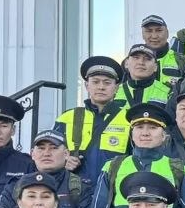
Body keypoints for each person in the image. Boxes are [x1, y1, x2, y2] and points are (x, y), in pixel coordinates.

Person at [0, 129, 92, 208]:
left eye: (53, 148)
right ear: (32, 154)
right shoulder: (15, 186)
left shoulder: (80, 187)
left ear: (66, 154)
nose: (46, 153)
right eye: (41, 148)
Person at [55, 56, 131, 184]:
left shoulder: (129, 118)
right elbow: (51, 154)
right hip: (74, 190)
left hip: (113, 189)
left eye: (107, 83)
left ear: (117, 87)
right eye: (95, 82)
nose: (101, 87)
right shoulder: (67, 117)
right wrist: (63, 162)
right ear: (87, 85)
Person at [116, 43, 173, 108]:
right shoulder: (114, 92)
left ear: (155, 67)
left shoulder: (168, 93)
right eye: (136, 57)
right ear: (126, 63)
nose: (141, 62)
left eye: (147, 59)